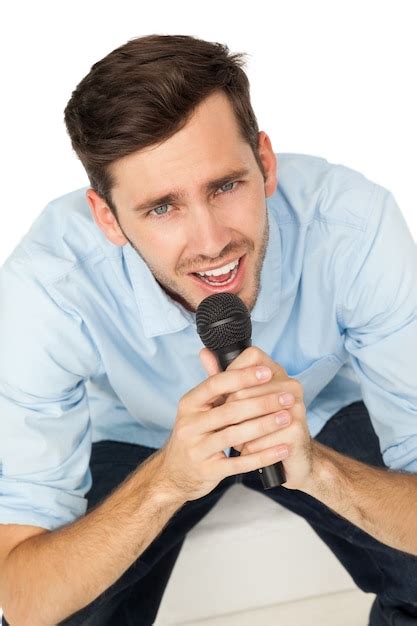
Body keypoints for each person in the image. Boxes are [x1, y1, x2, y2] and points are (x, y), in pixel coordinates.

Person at [0, 33, 416, 626]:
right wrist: (169, 479)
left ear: (265, 164)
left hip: (319, 409)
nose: (212, 240)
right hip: (138, 436)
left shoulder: (352, 223)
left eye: (225, 186)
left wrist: (317, 468)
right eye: (161, 207)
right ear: (107, 218)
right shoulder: (47, 285)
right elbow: (21, 594)